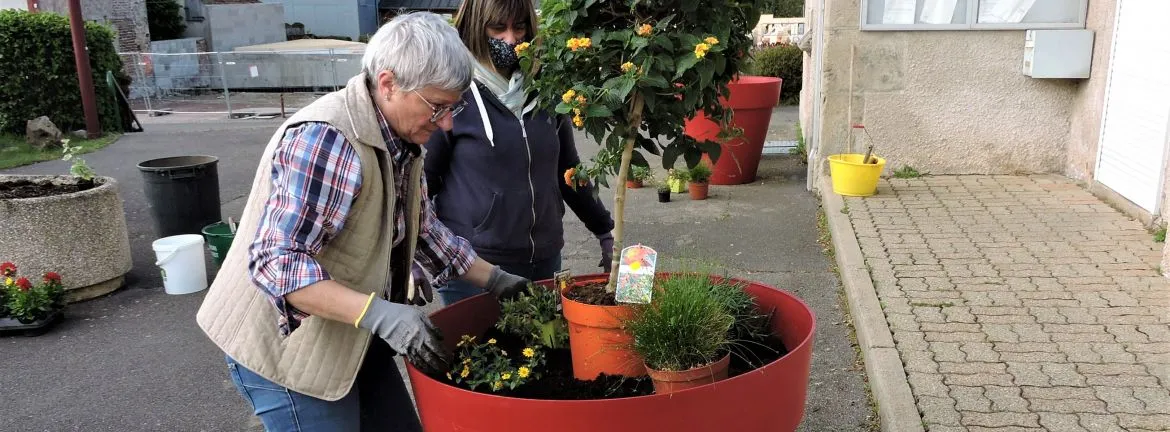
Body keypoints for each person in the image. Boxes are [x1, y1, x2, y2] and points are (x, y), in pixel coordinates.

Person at [194, 13, 532, 431]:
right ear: (388, 83)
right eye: (437, 106)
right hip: (288, 354)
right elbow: (278, 264)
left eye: (454, 107)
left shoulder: (401, 136)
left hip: (352, 337)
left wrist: (497, 280)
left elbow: (424, 231)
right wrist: (382, 315)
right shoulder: (327, 140)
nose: (447, 123)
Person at [422, 0, 616, 306]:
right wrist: (412, 256)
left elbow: (568, 171)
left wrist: (604, 230)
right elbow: (422, 184)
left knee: (542, 351)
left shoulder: (547, 91)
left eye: (520, 26)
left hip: (544, 260)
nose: (511, 39)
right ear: (475, 27)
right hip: (475, 268)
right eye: (497, 28)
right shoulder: (451, 95)